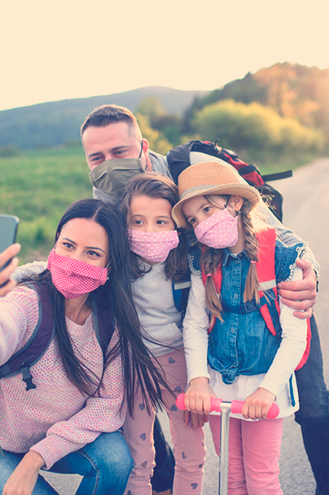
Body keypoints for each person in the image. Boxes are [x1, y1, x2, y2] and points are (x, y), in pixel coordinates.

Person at [81, 105, 329, 495]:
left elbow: (275, 231)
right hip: (205, 316)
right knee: (161, 417)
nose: (109, 164)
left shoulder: (188, 169)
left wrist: (312, 274)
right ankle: (166, 483)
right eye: (96, 158)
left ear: (142, 147)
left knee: (314, 403)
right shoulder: (103, 202)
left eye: (118, 152)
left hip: (268, 294)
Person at [0, 199, 169, 495]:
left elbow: (107, 407)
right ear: (54, 247)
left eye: (92, 253)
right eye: (68, 245)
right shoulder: (27, 302)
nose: (76, 259)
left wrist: (37, 457)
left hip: (44, 441)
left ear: (109, 264)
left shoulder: (110, 323)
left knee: (116, 459)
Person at [177, 160, 308, 494]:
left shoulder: (281, 256)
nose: (201, 224)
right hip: (220, 385)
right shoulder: (204, 261)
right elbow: (193, 323)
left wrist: (267, 390)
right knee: (230, 477)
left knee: (262, 480)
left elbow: (295, 336)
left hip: (265, 385)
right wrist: (198, 380)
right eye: (194, 219)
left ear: (234, 202)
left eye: (207, 209)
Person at [119, 173, 206, 495]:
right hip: (132, 363)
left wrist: (200, 379)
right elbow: (59, 265)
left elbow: (196, 322)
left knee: (190, 451)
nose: (148, 232)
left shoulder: (189, 264)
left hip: (178, 359)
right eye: (137, 222)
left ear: (177, 226)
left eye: (160, 222)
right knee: (137, 457)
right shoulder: (118, 262)